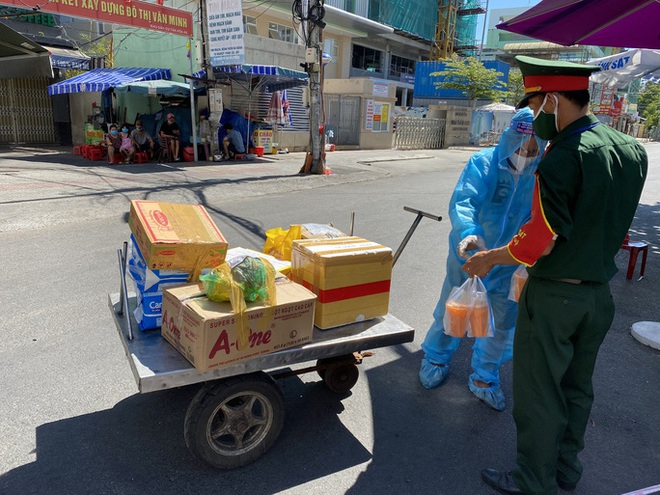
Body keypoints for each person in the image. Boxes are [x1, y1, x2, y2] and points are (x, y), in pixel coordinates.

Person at [463, 56, 648, 495]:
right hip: (598, 296)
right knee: (576, 388)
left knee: (540, 391)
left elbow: (537, 243)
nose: (532, 116)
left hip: (555, 298)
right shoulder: (630, 150)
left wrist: (488, 259)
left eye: (533, 104)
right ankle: (566, 469)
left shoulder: (562, 155)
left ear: (550, 99)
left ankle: (534, 479)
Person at [419, 108, 547, 411]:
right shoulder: (484, 163)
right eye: (521, 146)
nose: (526, 153)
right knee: (453, 308)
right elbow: (465, 201)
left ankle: (485, 376)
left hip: (508, 260)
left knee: (502, 321)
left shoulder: (541, 173)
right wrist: (469, 232)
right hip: (471, 253)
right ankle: (436, 358)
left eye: (533, 148)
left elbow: (538, 216)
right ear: (509, 138)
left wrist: (528, 253)